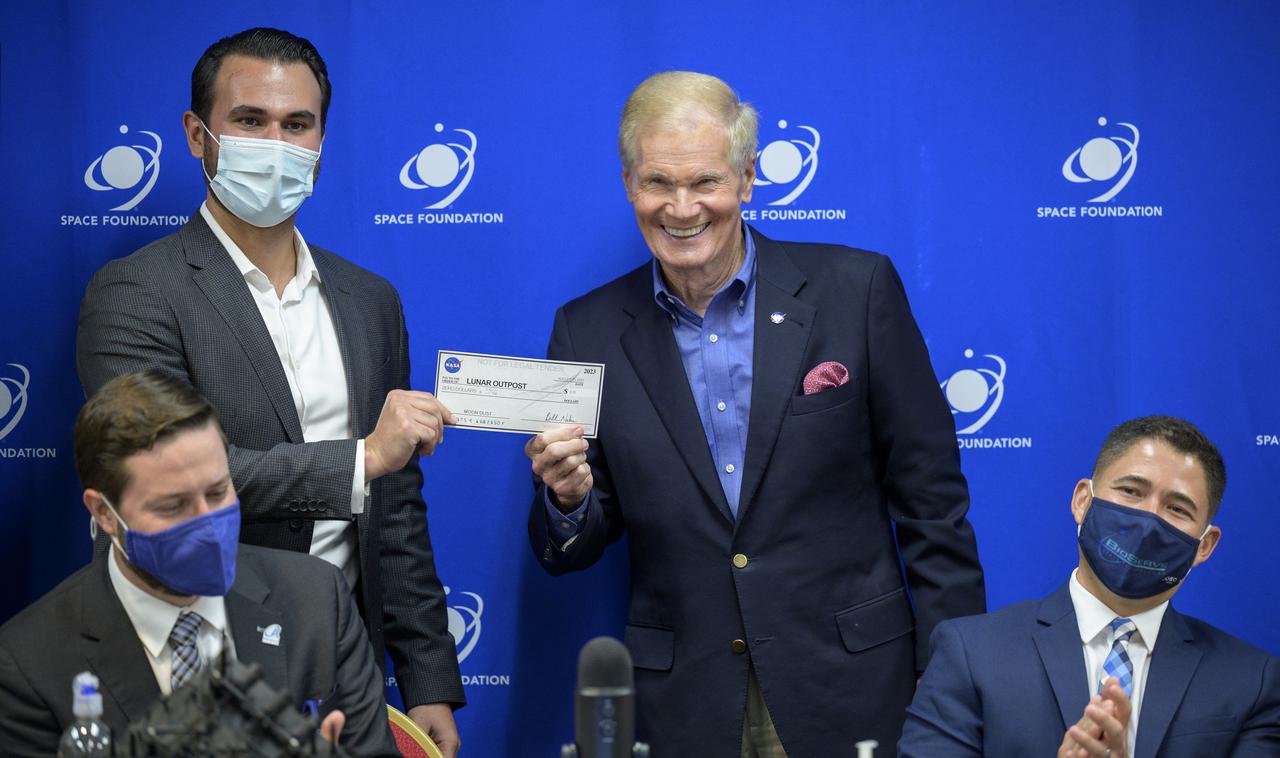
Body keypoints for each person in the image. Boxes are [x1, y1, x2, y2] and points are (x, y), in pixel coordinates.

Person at [523, 71, 985, 757]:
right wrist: (567, 499)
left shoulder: (856, 292)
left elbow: (933, 502)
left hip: (853, 686)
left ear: (747, 177)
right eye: (658, 182)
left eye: (705, 181)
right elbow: (577, 542)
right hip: (688, 705)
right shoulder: (584, 330)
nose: (682, 208)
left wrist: (953, 675)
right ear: (628, 184)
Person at [75, 27, 463, 752]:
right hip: (193, 664)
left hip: (346, 668)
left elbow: (395, 509)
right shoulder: (135, 292)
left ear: (321, 143)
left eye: (297, 124)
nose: (276, 145)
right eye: (250, 121)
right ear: (198, 135)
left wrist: (427, 676)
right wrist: (361, 459)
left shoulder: (369, 301)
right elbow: (167, 485)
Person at [0, 371, 398, 756]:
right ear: (104, 513)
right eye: (173, 506)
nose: (208, 526)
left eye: (217, 492)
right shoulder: (27, 665)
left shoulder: (317, 599)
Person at [899, 415, 1280, 757]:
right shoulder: (971, 653)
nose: (1148, 522)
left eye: (1177, 509)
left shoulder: (1253, 682)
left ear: (1205, 545)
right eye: (1131, 491)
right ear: (1083, 500)